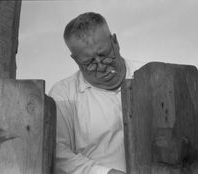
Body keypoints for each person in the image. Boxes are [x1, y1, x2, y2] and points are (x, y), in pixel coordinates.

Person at [49, 12, 140, 174]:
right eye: (89, 62)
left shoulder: (150, 75)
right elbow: (58, 154)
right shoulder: (63, 95)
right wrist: (104, 173)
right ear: (75, 60)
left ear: (115, 42)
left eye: (105, 55)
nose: (101, 66)